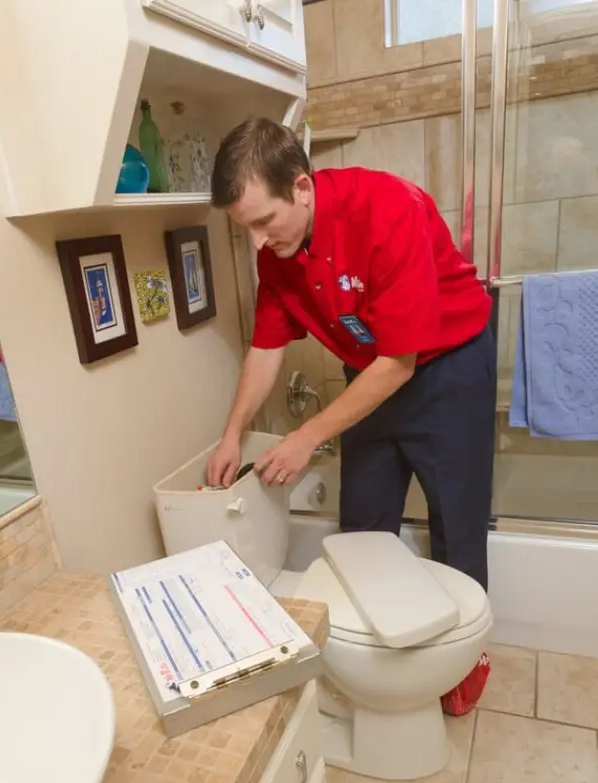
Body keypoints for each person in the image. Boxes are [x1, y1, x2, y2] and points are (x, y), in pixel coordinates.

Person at [207, 117, 495, 591]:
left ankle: (465, 664)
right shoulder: (276, 253)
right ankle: (378, 654)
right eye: (245, 229)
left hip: (449, 371)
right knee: (362, 525)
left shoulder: (388, 209)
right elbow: (265, 347)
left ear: (301, 187)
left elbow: (400, 363)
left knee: (456, 524)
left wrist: (306, 436)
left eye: (263, 222)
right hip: (370, 373)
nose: (257, 242)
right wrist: (233, 432)